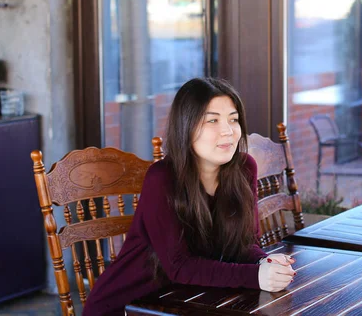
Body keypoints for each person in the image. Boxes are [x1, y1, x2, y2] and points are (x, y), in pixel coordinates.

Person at [83, 77, 295, 315]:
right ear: (186, 126)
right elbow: (179, 266)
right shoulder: (162, 179)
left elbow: (246, 243)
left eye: (233, 119)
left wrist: (262, 262)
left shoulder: (244, 168)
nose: (227, 131)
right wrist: (254, 276)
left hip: (192, 299)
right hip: (132, 305)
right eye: (212, 120)